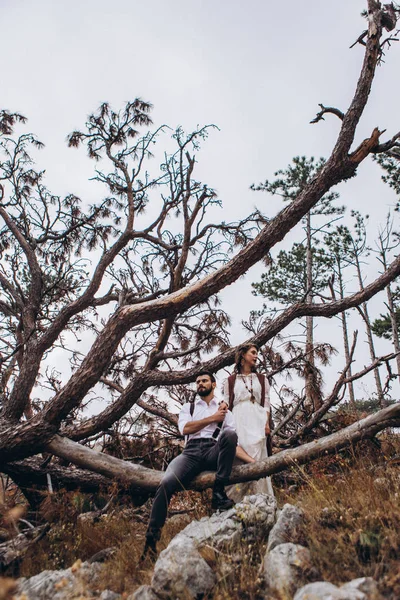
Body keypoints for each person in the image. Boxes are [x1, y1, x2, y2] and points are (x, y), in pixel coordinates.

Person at [142, 370, 238, 559]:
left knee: (230, 434)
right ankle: (151, 541)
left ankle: (218, 493)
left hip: (212, 451)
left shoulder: (225, 410)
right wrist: (213, 418)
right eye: (198, 382)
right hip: (190, 453)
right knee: (166, 483)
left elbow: (232, 439)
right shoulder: (189, 407)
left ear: (213, 384)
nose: (200, 384)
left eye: (204, 381)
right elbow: (185, 428)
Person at [222, 343, 274, 502]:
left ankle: (262, 500)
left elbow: (266, 403)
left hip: (257, 419)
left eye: (257, 353)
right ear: (243, 355)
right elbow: (227, 404)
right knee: (240, 457)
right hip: (238, 419)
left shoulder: (262, 379)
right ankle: (239, 501)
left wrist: (266, 424)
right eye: (253, 352)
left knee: (259, 457)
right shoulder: (230, 381)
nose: (256, 355)